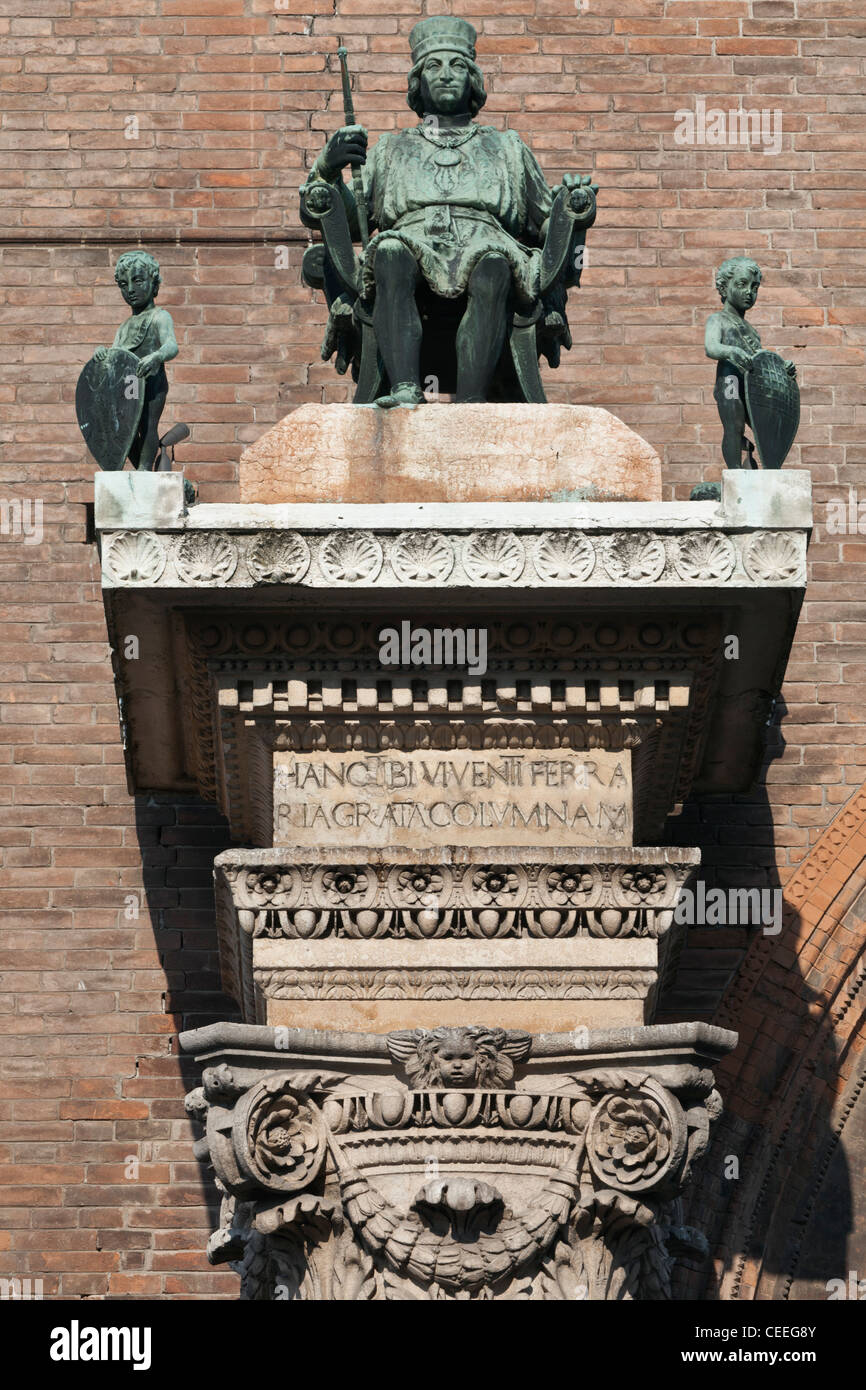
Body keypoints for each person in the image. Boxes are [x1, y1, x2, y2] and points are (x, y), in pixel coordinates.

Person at [308, 17, 596, 407]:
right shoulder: (392, 149)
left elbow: (544, 218)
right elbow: (342, 215)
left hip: (487, 243)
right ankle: (406, 388)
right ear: (419, 81)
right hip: (408, 241)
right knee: (390, 252)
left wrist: (571, 203)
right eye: (433, 66)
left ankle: (472, 402)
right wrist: (328, 167)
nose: (446, 75)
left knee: (493, 263)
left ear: (472, 79)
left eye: (457, 66)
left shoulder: (507, 147)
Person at [705, 256, 796, 469]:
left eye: (754, 287)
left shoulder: (752, 332)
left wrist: (783, 369)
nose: (749, 292)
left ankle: (750, 454)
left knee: (763, 425)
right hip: (729, 381)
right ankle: (735, 472)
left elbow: (762, 361)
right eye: (742, 284)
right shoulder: (717, 320)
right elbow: (711, 347)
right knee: (734, 425)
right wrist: (731, 351)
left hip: (751, 387)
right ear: (724, 288)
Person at [93, 250, 178, 469]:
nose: (130, 289)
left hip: (152, 383)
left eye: (138, 280)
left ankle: (144, 468)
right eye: (123, 284)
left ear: (154, 282)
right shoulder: (124, 327)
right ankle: (138, 467)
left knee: (147, 425)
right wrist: (103, 355)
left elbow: (171, 345)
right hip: (127, 386)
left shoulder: (159, 316)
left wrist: (157, 356)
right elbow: (116, 356)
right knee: (123, 427)